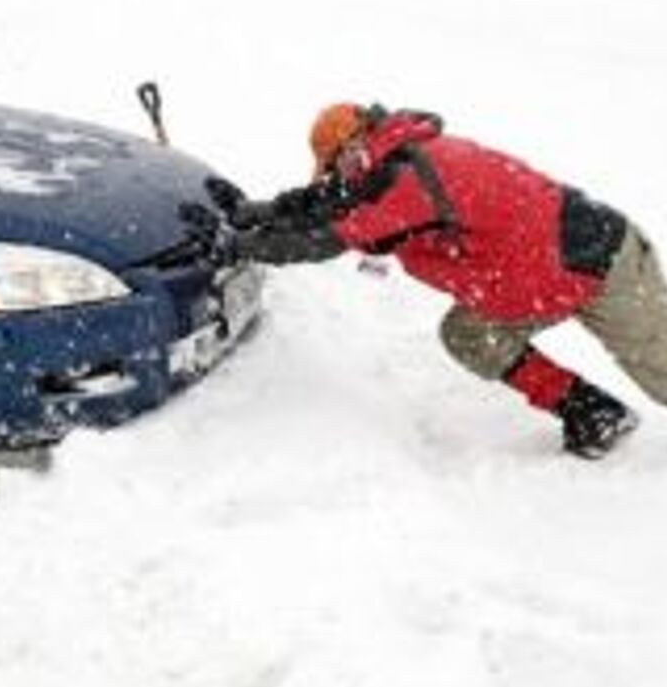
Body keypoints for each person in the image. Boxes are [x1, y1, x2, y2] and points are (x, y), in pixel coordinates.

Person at [183, 103, 667, 458]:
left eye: (343, 163)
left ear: (360, 143)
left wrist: (241, 247)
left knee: (662, 370)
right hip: (535, 278)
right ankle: (593, 413)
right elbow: (328, 201)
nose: (342, 176)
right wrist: (253, 214)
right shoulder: (384, 164)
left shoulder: (416, 175)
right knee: (469, 335)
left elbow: (329, 237)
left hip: (600, 262)